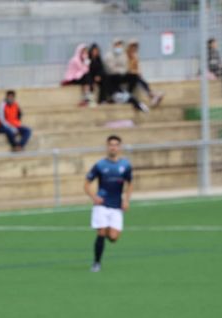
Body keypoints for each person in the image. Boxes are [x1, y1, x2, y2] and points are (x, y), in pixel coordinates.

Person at [85, 135, 132, 272]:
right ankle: (96, 263)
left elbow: (130, 184)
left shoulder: (125, 165)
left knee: (113, 237)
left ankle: (105, 229)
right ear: (107, 146)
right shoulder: (100, 165)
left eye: (116, 144)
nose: (113, 147)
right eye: (111, 144)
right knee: (101, 232)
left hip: (116, 205)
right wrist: (94, 197)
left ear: (119, 147)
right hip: (102, 204)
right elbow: (86, 184)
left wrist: (126, 200)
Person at [126, 40, 163, 107]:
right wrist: (135, 72)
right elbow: (127, 68)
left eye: (135, 47)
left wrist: (137, 72)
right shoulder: (126, 56)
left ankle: (152, 95)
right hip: (126, 76)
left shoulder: (135, 56)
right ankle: (152, 95)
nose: (134, 48)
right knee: (138, 79)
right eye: (133, 47)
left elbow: (137, 68)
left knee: (140, 80)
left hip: (133, 76)